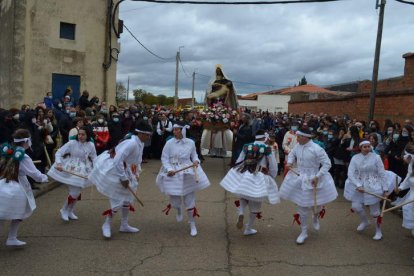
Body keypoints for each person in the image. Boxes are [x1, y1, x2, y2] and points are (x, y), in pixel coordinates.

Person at [88, 121, 152, 239]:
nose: (149, 137)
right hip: (116, 171)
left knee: (127, 199)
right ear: (140, 134)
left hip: (127, 170)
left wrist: (137, 172)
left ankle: (124, 224)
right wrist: (123, 178)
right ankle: (106, 224)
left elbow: (137, 159)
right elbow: (117, 160)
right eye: (147, 135)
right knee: (117, 201)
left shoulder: (140, 143)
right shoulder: (131, 143)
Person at [279, 127, 338, 244]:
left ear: (306, 137)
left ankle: (316, 216)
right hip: (301, 177)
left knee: (317, 205)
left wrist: (318, 176)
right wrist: (290, 162)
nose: (297, 138)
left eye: (299, 136)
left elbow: (327, 164)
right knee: (302, 206)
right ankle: (304, 231)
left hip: (314, 178)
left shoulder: (317, 149)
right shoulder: (297, 146)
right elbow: (291, 154)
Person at [220, 130, 280, 235]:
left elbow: (239, 160)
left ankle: (241, 211)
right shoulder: (267, 149)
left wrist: (236, 171)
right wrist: (272, 175)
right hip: (260, 175)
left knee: (244, 195)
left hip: (246, 174)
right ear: (264, 138)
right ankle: (248, 228)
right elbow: (273, 165)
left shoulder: (246, 146)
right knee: (256, 202)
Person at [156, 122, 210, 237]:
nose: (174, 132)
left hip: (187, 171)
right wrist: (169, 169)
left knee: (189, 199)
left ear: (182, 131)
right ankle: (178, 209)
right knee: (175, 201)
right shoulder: (169, 143)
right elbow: (164, 158)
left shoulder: (190, 142)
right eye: (174, 130)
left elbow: (194, 155)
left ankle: (192, 223)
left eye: (177, 130)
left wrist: (196, 161)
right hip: (173, 171)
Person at [0, 129, 49, 246]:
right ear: (26, 141)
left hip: (3, 184)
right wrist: (45, 177)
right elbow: (35, 174)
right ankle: (11, 237)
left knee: (2, 213)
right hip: (17, 187)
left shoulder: (9, 152)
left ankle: (12, 238)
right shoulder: (24, 156)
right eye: (30, 139)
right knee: (20, 212)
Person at [344, 140, 392, 241]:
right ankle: (365, 221)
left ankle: (378, 231)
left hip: (374, 185)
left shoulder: (376, 157)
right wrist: (358, 185)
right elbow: (350, 173)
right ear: (360, 148)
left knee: (375, 212)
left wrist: (385, 188)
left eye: (368, 146)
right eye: (364, 147)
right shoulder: (355, 158)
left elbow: (382, 173)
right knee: (355, 206)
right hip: (359, 184)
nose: (367, 148)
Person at [47, 127, 97, 221]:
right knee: (75, 192)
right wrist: (58, 163)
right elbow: (59, 152)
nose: (80, 136)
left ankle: (70, 211)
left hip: (84, 168)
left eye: (83, 134)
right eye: (79, 134)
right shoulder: (72, 143)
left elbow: (94, 157)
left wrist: (96, 168)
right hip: (71, 167)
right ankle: (63, 210)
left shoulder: (91, 144)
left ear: (87, 135)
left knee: (77, 192)